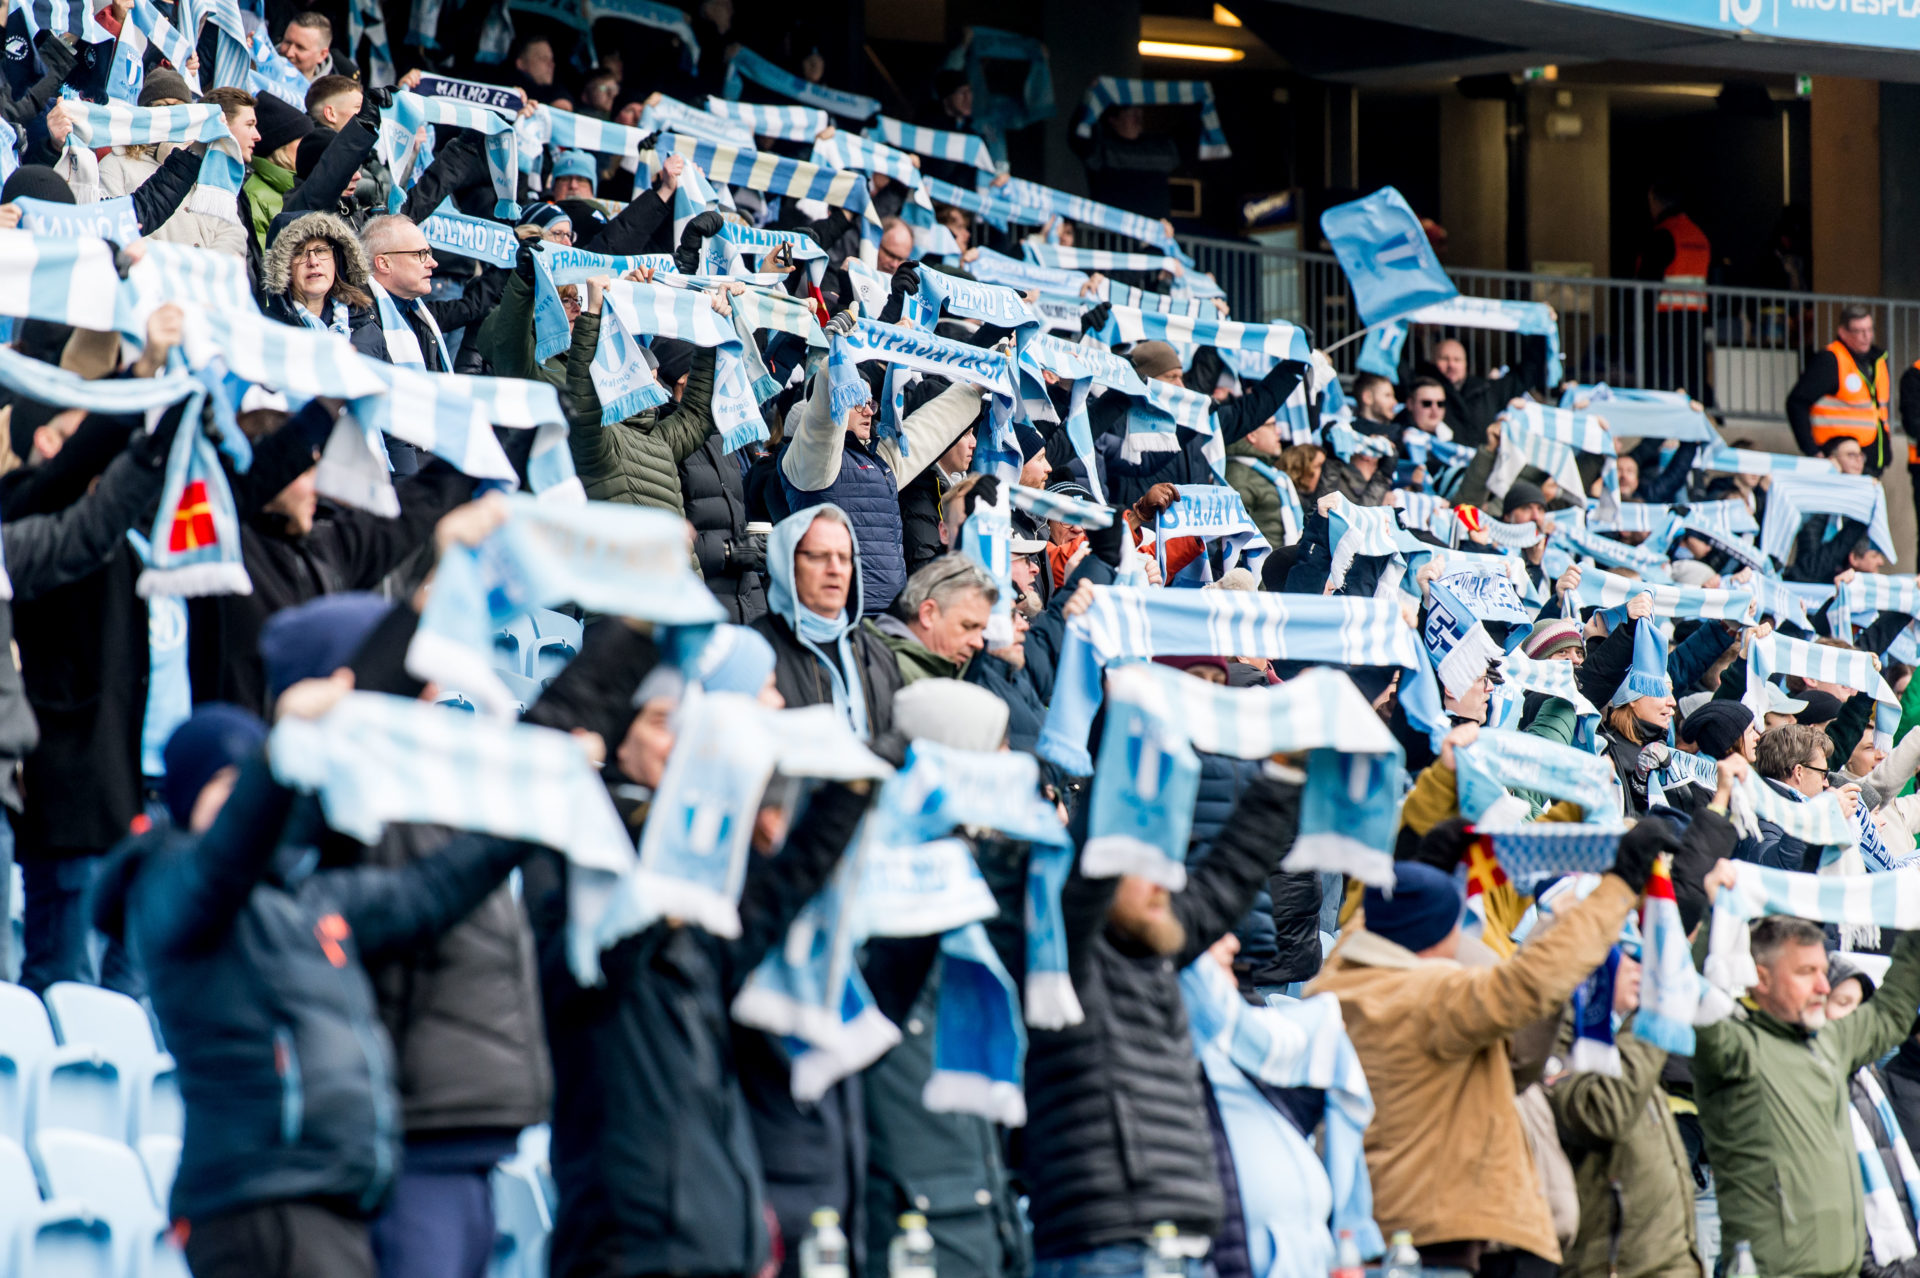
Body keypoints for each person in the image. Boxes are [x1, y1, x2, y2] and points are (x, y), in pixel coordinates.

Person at [92, 675, 553, 1278]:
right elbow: (227, 856)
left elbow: (429, 892)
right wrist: (279, 754)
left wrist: (535, 807)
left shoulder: (305, 900)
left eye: (246, 787)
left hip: (329, 1196)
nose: (244, 808)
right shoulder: (165, 887)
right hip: (259, 1201)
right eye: (225, 788)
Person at [1307, 807, 1673, 1274]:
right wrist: (1620, 885)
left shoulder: (1338, 981)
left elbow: (1375, 926)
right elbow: (1529, 983)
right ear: (1436, 938)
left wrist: (1430, 868)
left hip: (1390, 1219)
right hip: (1440, 1228)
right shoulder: (1429, 997)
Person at [1024, 767, 1300, 1277]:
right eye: (1146, 866)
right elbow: (1093, 855)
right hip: (1109, 1247)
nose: (1166, 881)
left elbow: (1230, 874)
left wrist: (1285, 773)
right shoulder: (1064, 959)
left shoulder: (1155, 950)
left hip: (1181, 1244)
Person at [1694, 913, 1920, 1278]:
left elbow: (1891, 1012)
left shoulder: (1831, 1042)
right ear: (1760, 978)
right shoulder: (1734, 1051)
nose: (1822, 986)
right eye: (1805, 972)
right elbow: (1693, 998)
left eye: (1822, 970)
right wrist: (1717, 912)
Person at [779, 314, 986, 614]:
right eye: (856, 401)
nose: (868, 410)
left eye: (870, 403)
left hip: (889, 617)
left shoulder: (880, 462)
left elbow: (932, 425)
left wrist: (980, 384)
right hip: (839, 614)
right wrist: (839, 358)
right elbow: (823, 420)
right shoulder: (813, 463)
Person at [1546, 940, 1705, 1278]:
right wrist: (1653, 1017)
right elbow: (1605, 1111)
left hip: (1665, 1263)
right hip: (1616, 1267)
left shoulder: (1614, 1035)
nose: (1640, 968)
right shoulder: (1552, 1037)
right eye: (1627, 957)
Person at [751, 505, 903, 738]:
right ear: (788, 564)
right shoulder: (757, 651)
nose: (835, 569)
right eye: (820, 556)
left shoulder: (877, 652)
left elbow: (899, 738)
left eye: (844, 558)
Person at [1824, 955, 1920, 1278]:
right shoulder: (1811, 1086)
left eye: (1858, 1005)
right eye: (1842, 1002)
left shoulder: (1867, 1082)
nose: (1854, 1015)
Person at [1633, 180, 1712, 401]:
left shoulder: (1665, 234)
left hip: (1665, 319)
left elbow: (1647, 281)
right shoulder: (1699, 236)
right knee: (1691, 378)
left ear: (1656, 202)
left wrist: (1640, 319)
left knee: (1662, 379)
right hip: (1695, 318)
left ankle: (1658, 431)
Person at [1789, 304, 1891, 473]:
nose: (1866, 336)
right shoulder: (1830, 360)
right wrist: (1812, 450)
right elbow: (1796, 403)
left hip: (1872, 457)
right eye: (1859, 331)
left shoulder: (1876, 360)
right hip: (1839, 459)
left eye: (1869, 330)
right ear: (1843, 332)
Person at [867, 554, 999, 684]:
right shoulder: (891, 675)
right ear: (928, 613)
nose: (978, 643)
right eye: (968, 626)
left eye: (981, 630)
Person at [261, 209, 373, 333]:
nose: (313, 262)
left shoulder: (366, 327)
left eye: (321, 250)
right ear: (281, 267)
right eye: (299, 254)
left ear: (337, 259)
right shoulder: (263, 332)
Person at [1071, 104, 1181, 221]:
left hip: (1153, 234)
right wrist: (1090, 98)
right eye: (1130, 112)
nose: (1138, 116)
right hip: (1113, 233)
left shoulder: (1160, 148)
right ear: (1113, 120)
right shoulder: (1102, 150)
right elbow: (1079, 136)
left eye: (1139, 110)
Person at [278, 11, 353, 82]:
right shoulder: (266, 72)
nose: (289, 53)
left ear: (322, 55)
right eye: (287, 42)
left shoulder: (336, 92)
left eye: (300, 47)